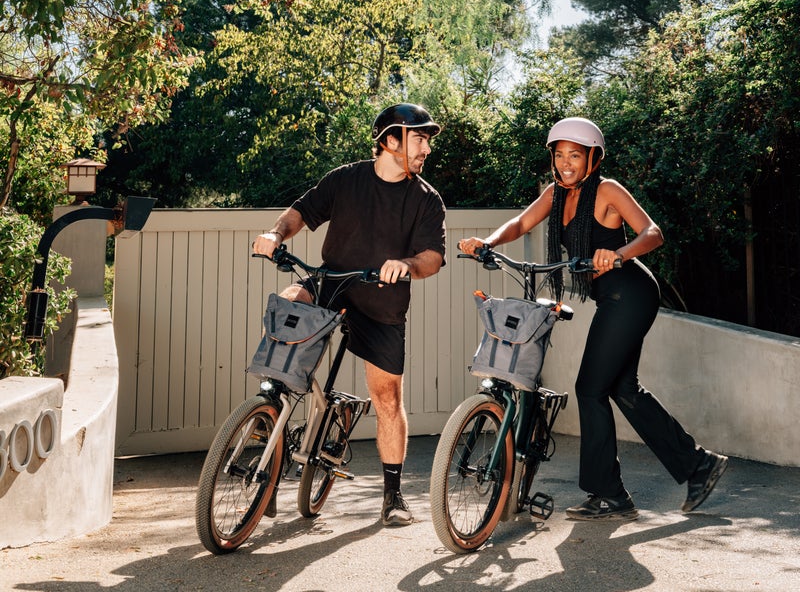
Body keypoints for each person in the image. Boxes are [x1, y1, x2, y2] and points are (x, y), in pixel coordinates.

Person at [459, 117, 728, 520]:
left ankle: (610, 494)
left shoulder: (607, 190)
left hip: (631, 292)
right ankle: (698, 465)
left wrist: (618, 254)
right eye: (560, 154)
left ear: (592, 159)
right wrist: (489, 242)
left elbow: (653, 233)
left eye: (576, 155)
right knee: (623, 389)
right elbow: (520, 223)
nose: (566, 163)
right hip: (612, 297)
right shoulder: (555, 194)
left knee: (590, 387)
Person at [252, 103, 446, 526]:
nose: (426, 148)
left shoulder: (426, 200)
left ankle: (393, 496)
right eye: (419, 138)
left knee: (388, 398)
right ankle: (269, 421)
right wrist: (275, 232)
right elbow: (301, 212)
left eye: (427, 140)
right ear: (390, 140)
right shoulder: (345, 179)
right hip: (332, 284)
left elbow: (432, 257)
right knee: (290, 298)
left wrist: (408, 265)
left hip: (382, 304)